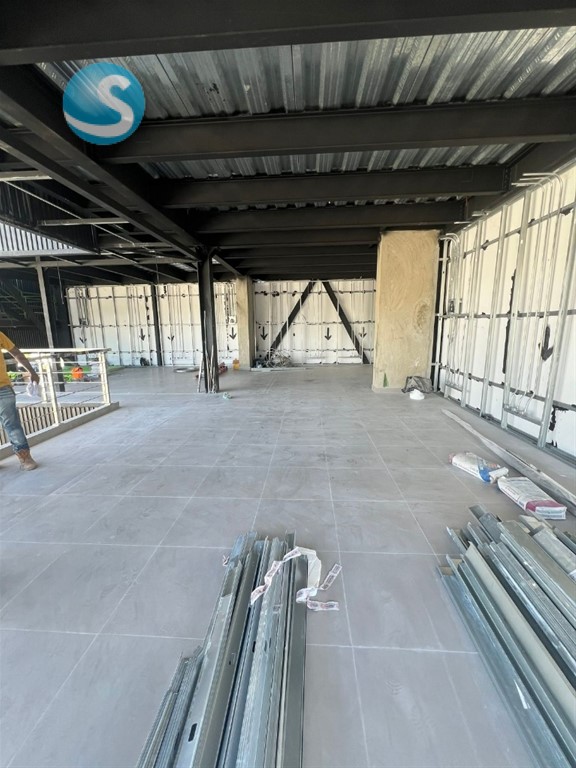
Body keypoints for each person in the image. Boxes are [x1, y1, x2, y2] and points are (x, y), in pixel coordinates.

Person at [0, 331, 39, 470]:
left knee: (12, 424)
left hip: (2, 388)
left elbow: (15, 352)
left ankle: (25, 458)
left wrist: (32, 372)